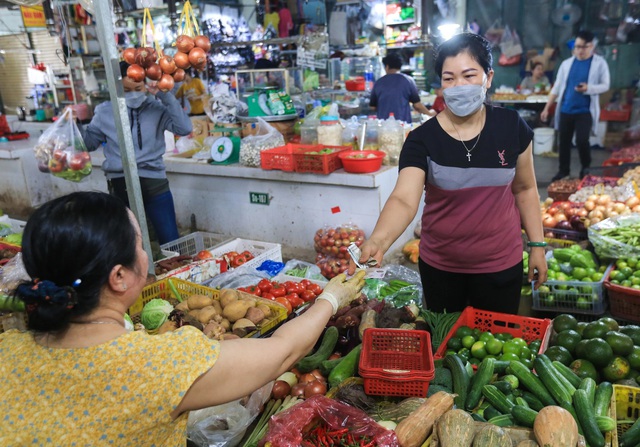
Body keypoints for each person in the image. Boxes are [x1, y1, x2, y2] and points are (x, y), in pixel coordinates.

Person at [0, 191, 366, 446]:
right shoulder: (157, 365)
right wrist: (332, 297)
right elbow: (283, 352)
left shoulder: (7, 350)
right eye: (140, 244)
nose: (145, 253)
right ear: (120, 277)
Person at [349, 33, 547, 314]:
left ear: (488, 78)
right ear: (440, 83)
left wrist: (537, 245)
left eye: (469, 75)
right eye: (449, 78)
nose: (459, 86)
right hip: (441, 268)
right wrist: (379, 240)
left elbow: (525, 189)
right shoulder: (422, 139)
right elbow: (404, 200)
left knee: (496, 345)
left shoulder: (511, 126)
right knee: (446, 345)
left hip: (501, 263)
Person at [78, 61, 192, 245]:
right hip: (120, 183)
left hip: (154, 182)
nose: (132, 94)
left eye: (137, 88)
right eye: (125, 89)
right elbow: (89, 143)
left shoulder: (157, 108)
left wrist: (165, 95)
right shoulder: (105, 111)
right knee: (127, 243)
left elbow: (184, 128)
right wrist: (70, 131)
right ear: (116, 88)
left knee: (170, 240)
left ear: (146, 85)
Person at [541, 30, 610, 181]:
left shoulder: (600, 63)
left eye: (582, 47)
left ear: (591, 46)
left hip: (585, 111)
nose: (578, 50)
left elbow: (605, 85)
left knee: (581, 140)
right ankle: (563, 171)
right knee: (563, 142)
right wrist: (547, 108)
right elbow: (557, 87)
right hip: (566, 109)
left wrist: (589, 88)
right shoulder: (566, 64)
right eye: (576, 47)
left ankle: (586, 169)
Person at [369, 53, 431, 123]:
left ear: (387, 66)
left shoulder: (378, 83)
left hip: (383, 126)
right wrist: (430, 115)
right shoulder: (408, 80)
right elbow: (417, 105)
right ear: (400, 66)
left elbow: (373, 107)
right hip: (403, 126)